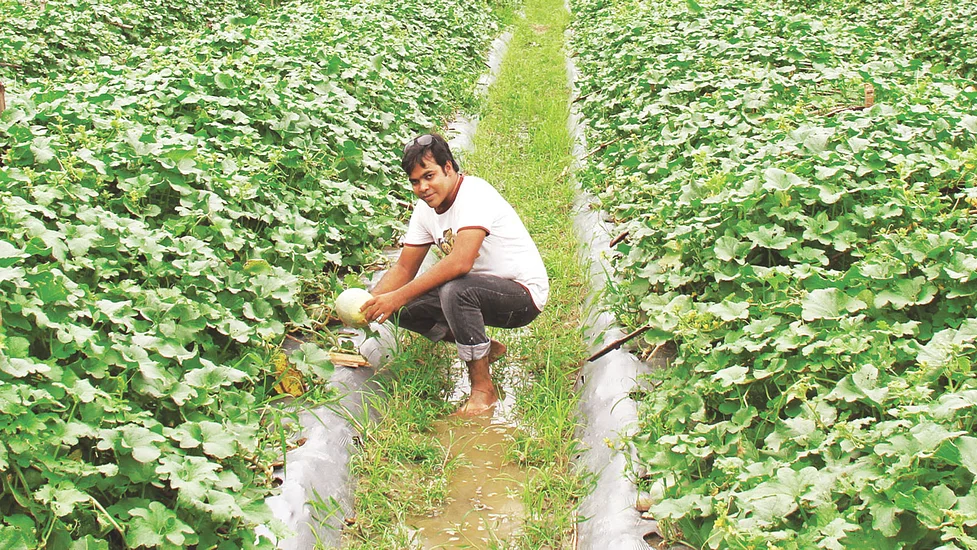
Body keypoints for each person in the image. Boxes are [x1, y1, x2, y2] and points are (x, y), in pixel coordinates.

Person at [361, 133, 549, 415]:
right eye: (415, 181)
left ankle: (483, 391)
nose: (423, 187)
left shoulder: (475, 195)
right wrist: (370, 303)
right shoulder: (425, 211)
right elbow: (403, 268)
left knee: (455, 291)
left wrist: (394, 297)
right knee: (400, 308)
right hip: (476, 290)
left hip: (520, 296)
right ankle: (485, 348)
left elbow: (460, 262)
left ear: (448, 168)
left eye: (429, 176)